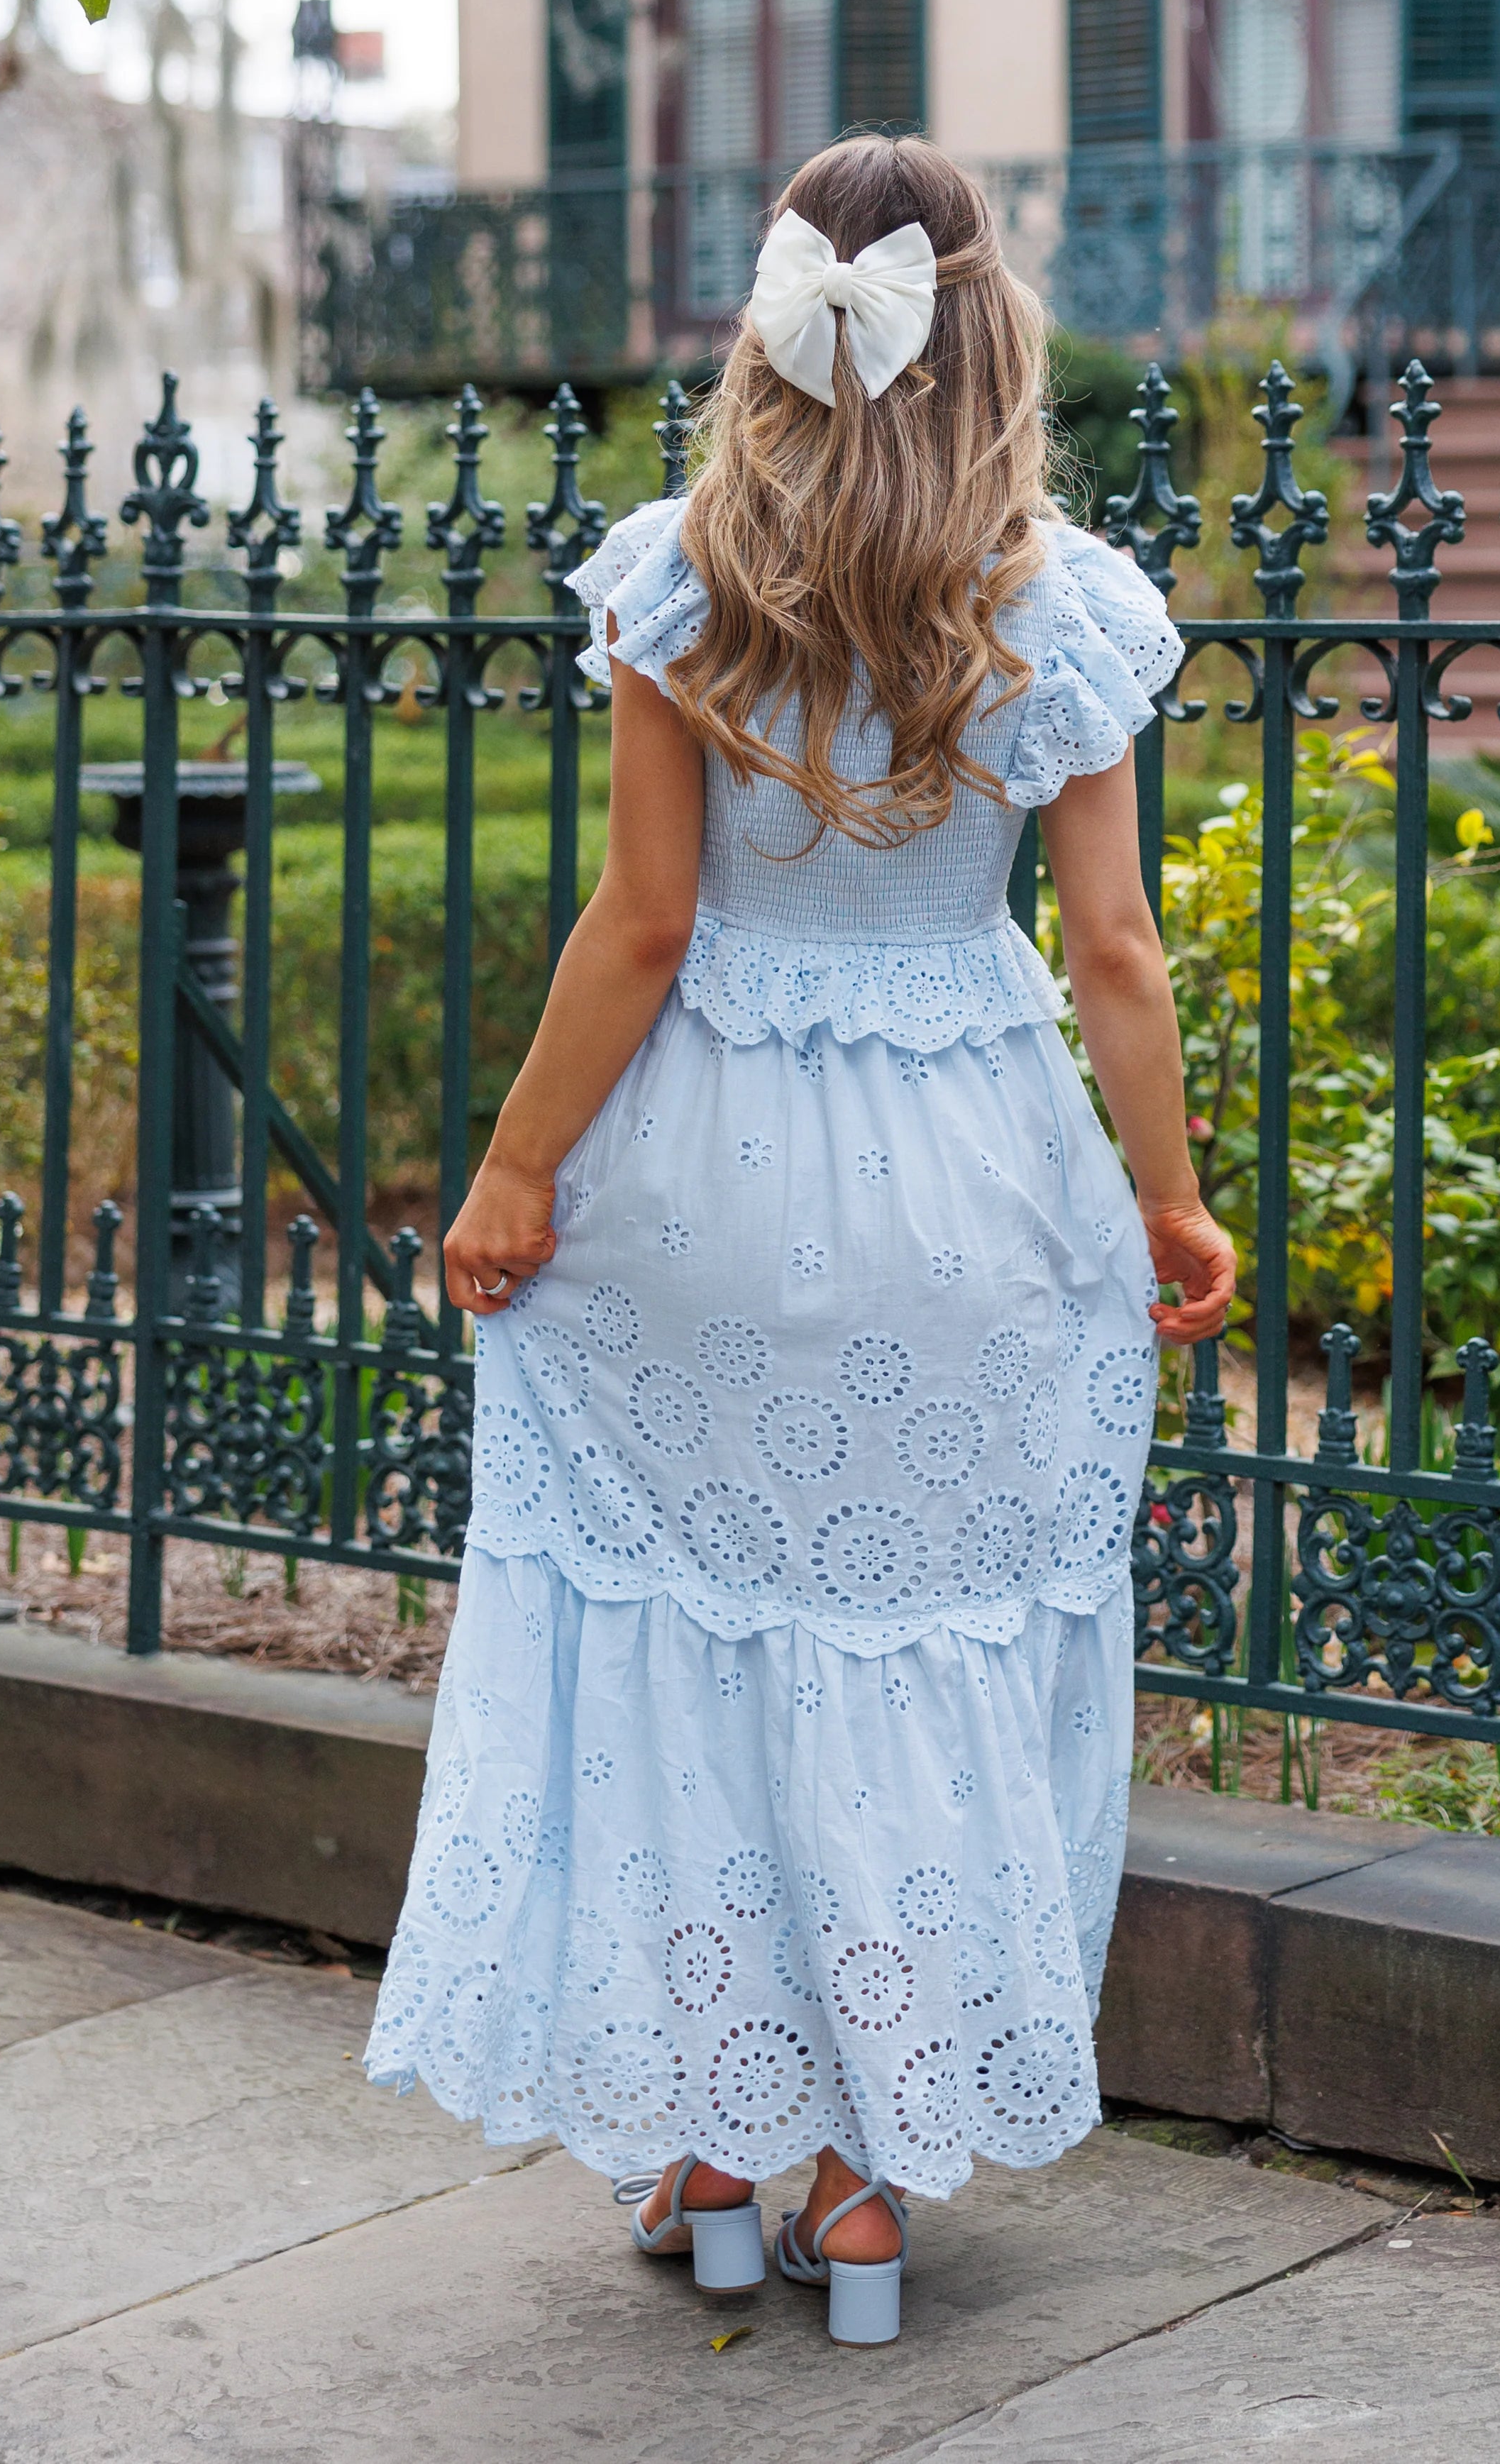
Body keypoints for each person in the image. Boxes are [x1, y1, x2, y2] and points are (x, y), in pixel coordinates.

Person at [364, 135, 1232, 2347]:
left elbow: (646, 924)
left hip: (705, 1180)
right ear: (987, 328)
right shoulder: (1070, 602)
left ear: (774, 321)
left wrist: (512, 1171)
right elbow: (1113, 949)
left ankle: (707, 2145)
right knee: (922, 1645)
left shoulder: (684, 576)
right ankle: (864, 2178)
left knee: (698, 1652)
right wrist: (1168, 1196)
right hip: (975, 1179)